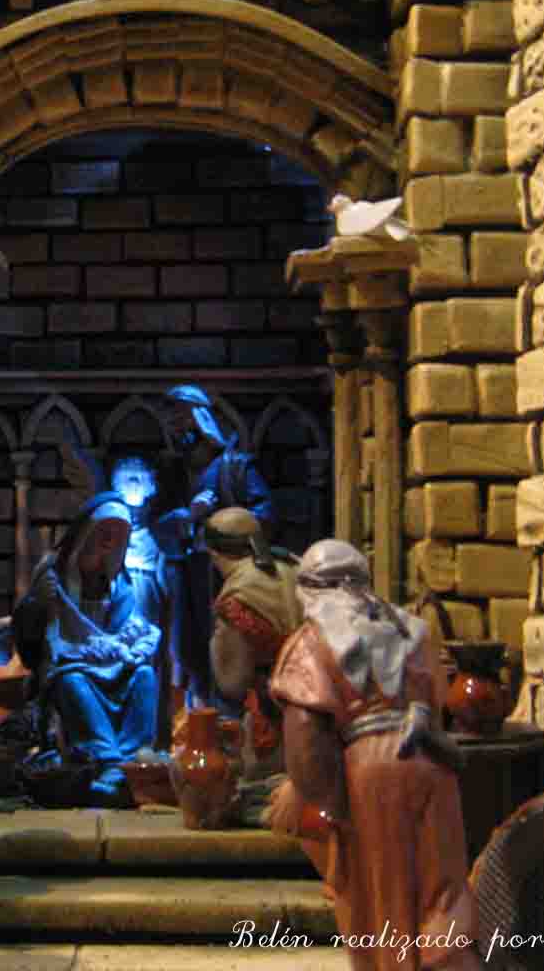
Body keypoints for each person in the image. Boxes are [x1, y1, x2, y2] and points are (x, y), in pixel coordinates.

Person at [268, 540, 480, 971]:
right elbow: (440, 702)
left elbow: (306, 737)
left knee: (381, 893)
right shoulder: (411, 631)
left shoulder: (310, 642)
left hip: (370, 774)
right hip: (431, 762)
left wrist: (328, 804)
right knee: (441, 889)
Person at [13, 493, 161, 805]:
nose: (109, 540)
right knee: (73, 682)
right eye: (104, 531)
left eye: (117, 534)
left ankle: (133, 759)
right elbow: (30, 639)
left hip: (112, 665)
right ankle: (106, 761)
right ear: (86, 533)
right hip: (69, 664)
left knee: (145, 676)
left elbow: (130, 626)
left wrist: (130, 646)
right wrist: (37, 604)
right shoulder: (53, 574)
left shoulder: (120, 582)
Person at [154, 385, 274, 708]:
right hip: (187, 571)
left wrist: (222, 523)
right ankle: (199, 710)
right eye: (172, 422)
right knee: (188, 648)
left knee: (230, 644)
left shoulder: (236, 467)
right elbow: (156, 524)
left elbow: (265, 517)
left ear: (202, 420)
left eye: (183, 419)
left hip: (230, 574)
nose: (178, 429)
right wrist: (187, 516)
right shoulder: (173, 474)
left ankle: (231, 711)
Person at [204, 508, 302, 783]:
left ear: (213, 553)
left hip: (275, 716)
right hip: (321, 710)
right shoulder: (298, 567)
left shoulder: (238, 596)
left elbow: (231, 681)